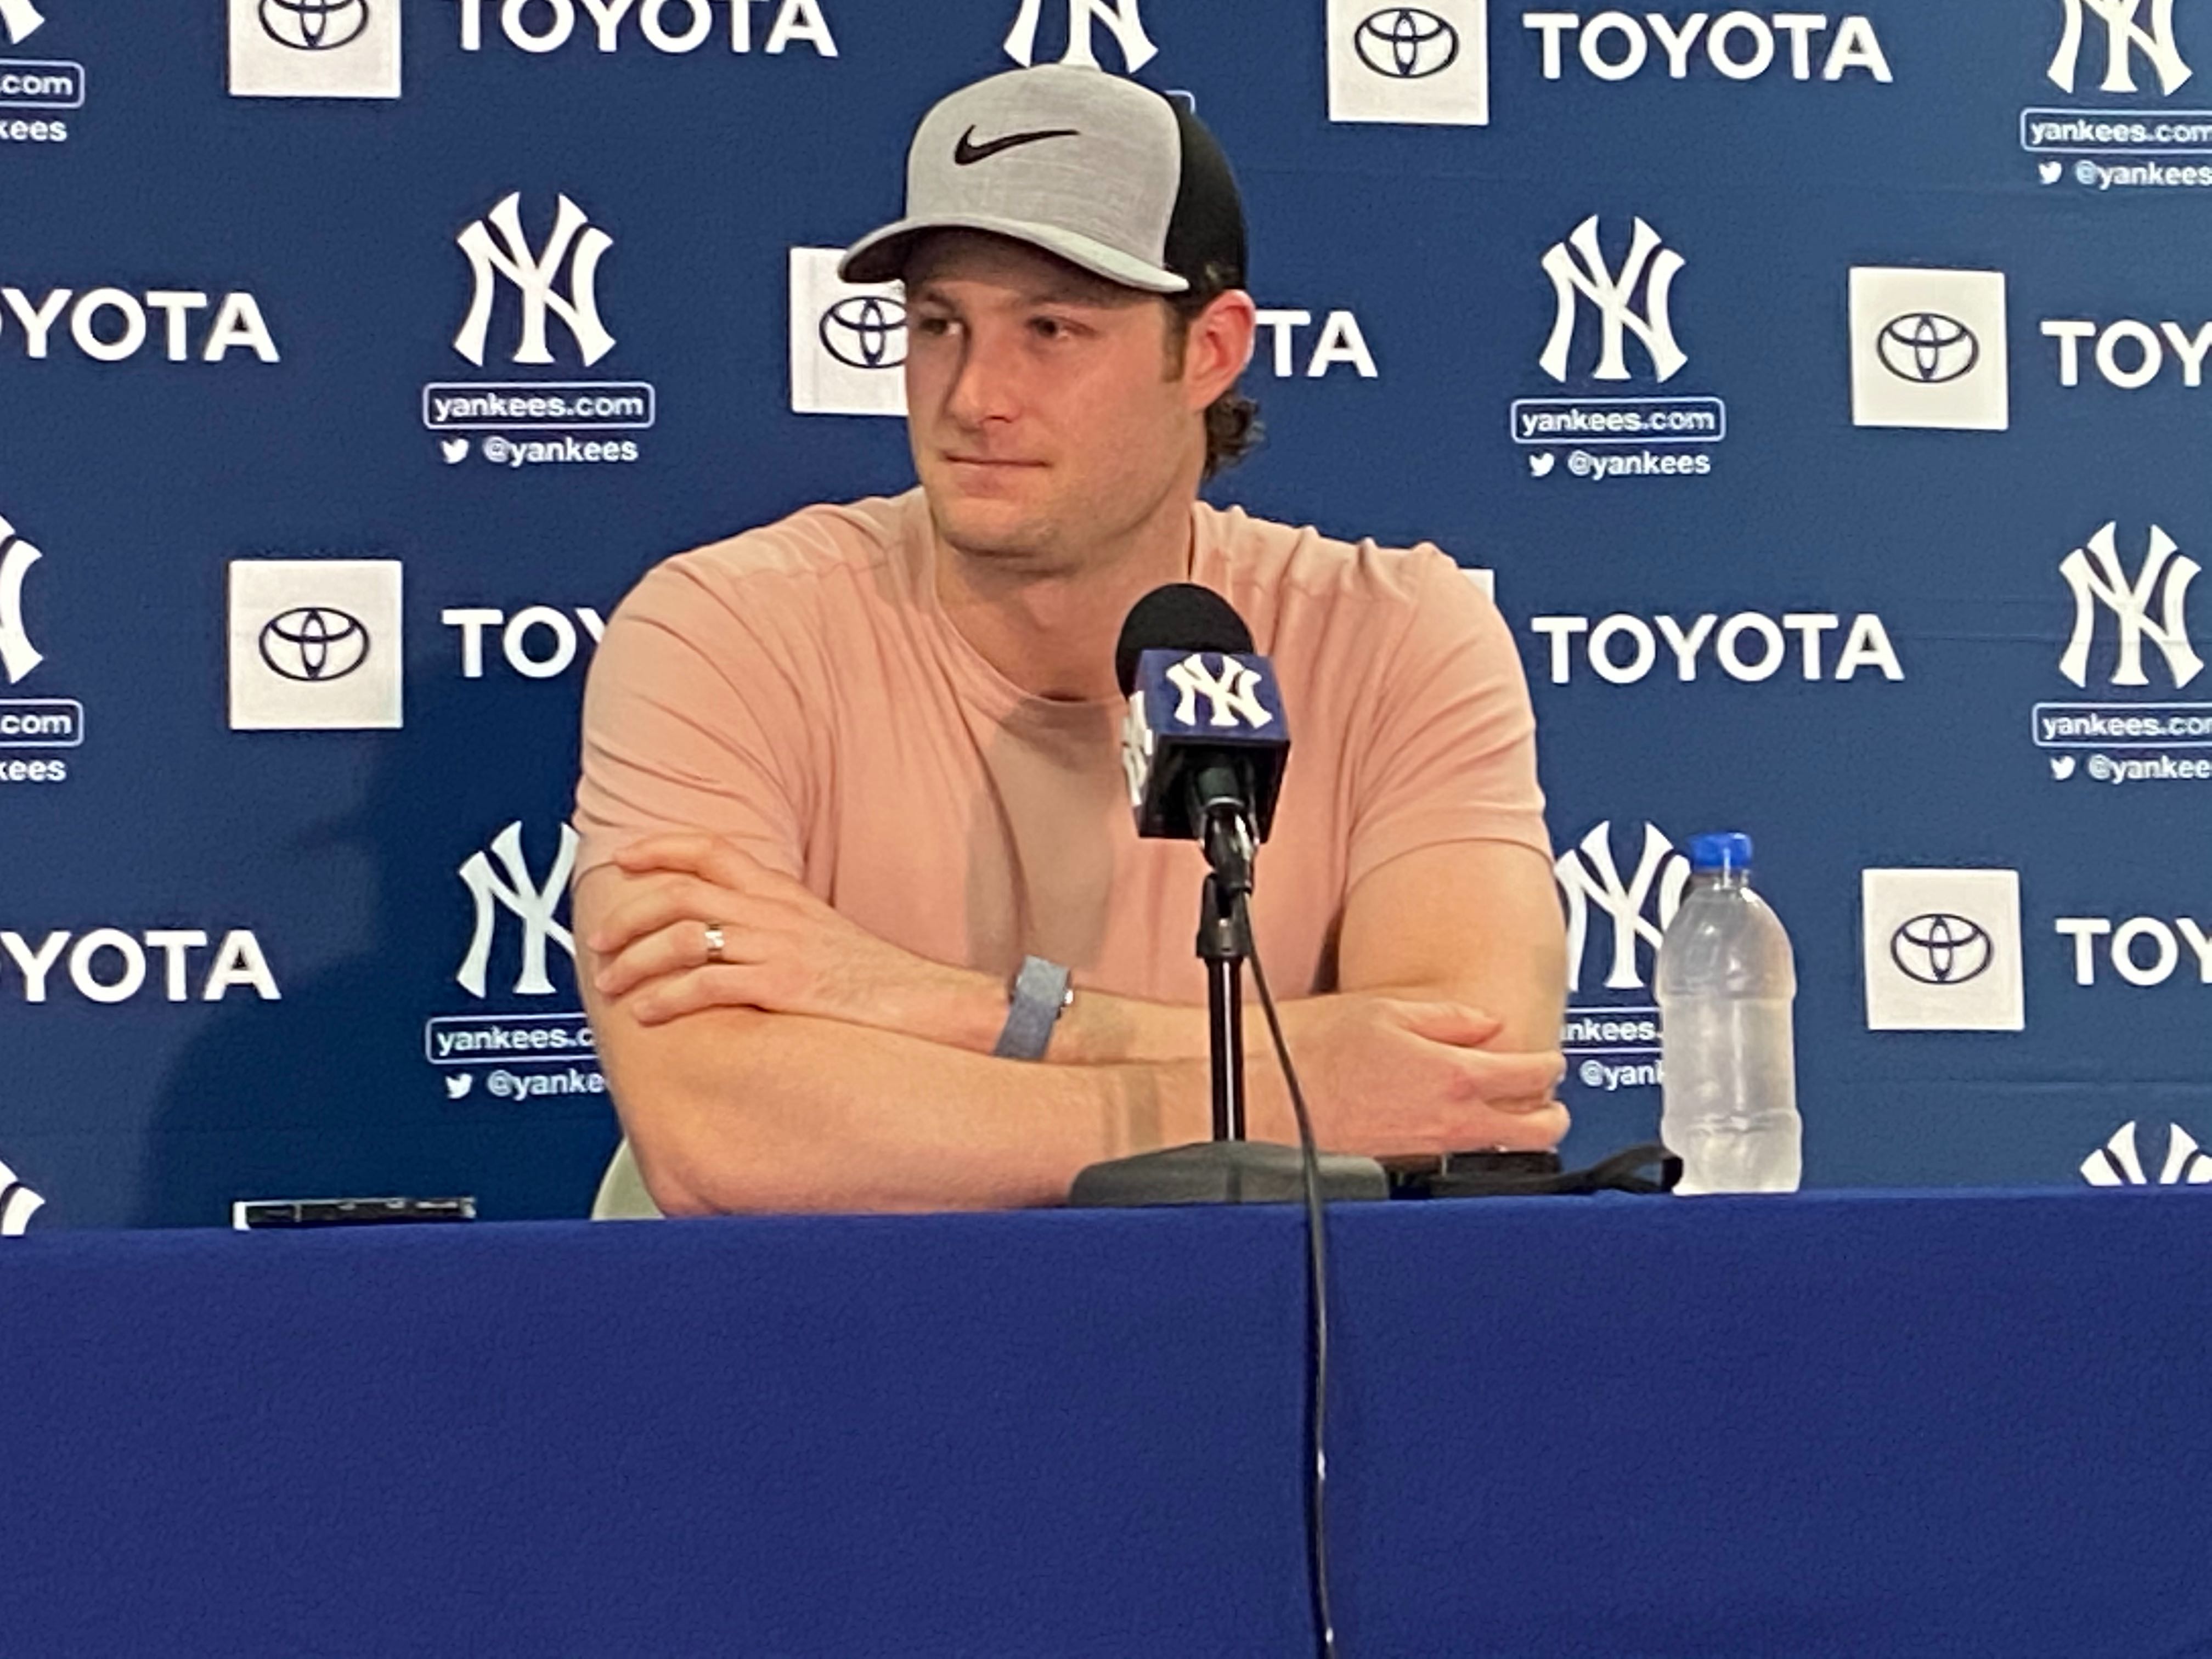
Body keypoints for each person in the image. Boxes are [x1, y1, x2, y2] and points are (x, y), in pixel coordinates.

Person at [571, 64, 1567, 1217]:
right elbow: (725, 1133)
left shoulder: (1393, 633)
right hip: (828, 1326)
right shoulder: (726, 630)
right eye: (940, 325)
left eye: (1052, 329)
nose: (973, 395)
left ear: (1210, 352)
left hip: (1256, 1327)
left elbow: (1470, 1089)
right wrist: (1303, 1096)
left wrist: (926, 1002)